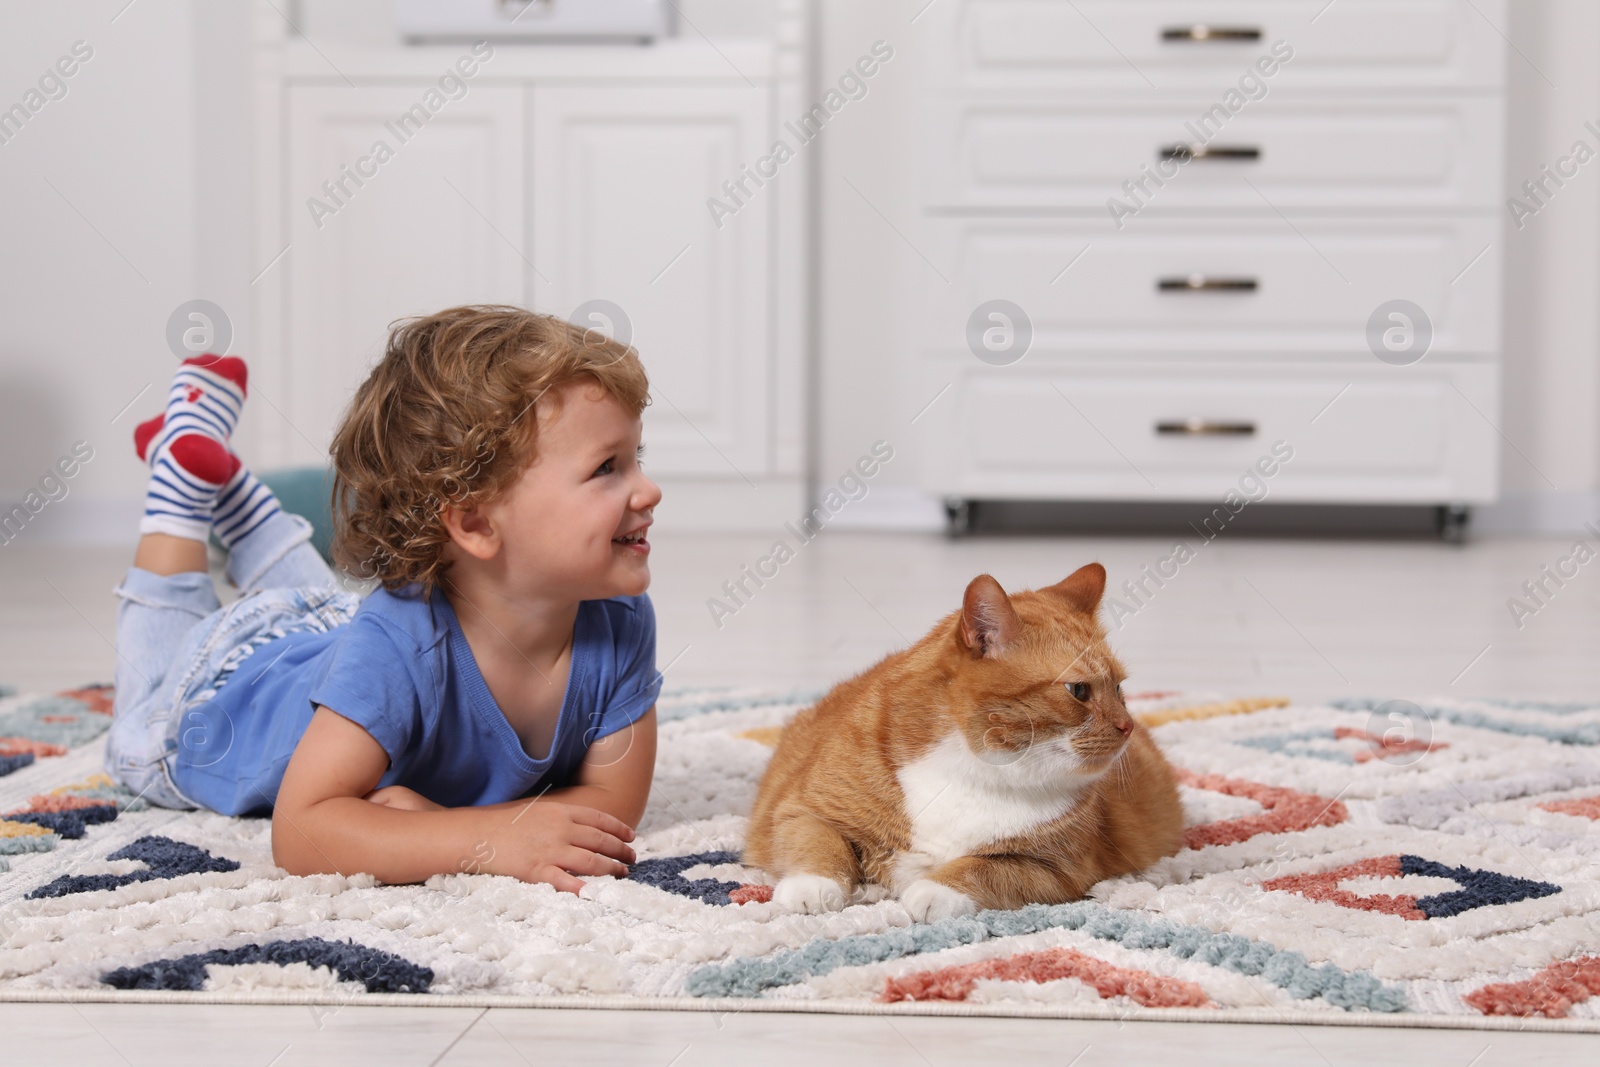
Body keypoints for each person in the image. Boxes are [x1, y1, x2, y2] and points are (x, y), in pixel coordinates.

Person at [105, 306, 661, 894]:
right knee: (139, 731)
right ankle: (181, 490)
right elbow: (301, 830)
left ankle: (227, 483)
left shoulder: (617, 618)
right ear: (473, 522)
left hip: (331, 625)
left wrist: (440, 825)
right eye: (607, 468)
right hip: (225, 683)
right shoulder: (397, 645)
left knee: (328, 607)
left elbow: (611, 807)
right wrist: (484, 838)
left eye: (635, 459)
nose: (648, 489)